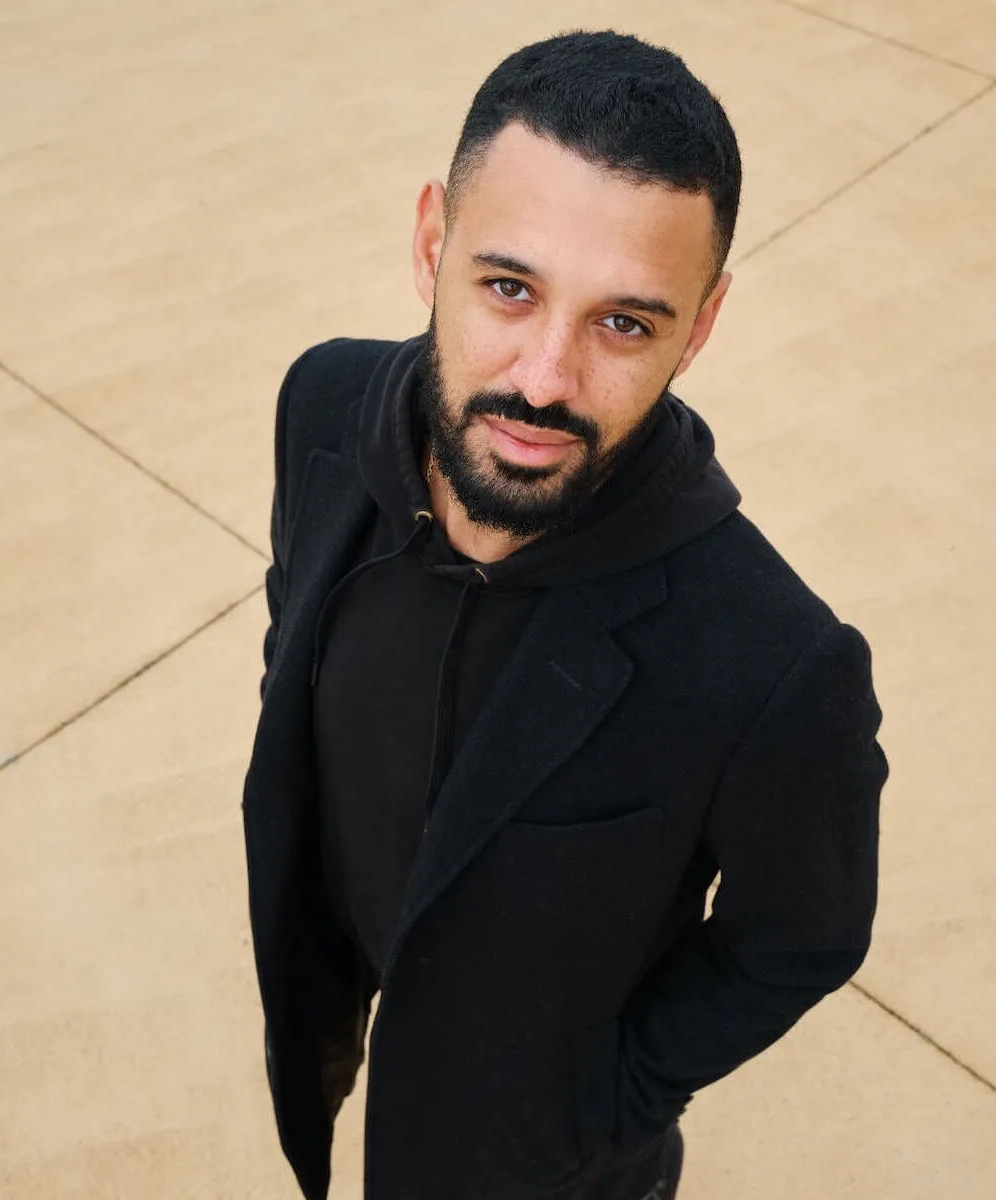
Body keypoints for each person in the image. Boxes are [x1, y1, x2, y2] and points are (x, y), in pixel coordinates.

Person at [243, 29, 887, 1200]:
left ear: (699, 327)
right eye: (508, 286)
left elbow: (798, 938)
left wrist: (603, 1106)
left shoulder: (776, 662)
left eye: (624, 324)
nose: (544, 377)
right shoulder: (321, 403)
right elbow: (293, 616)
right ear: (431, 238)